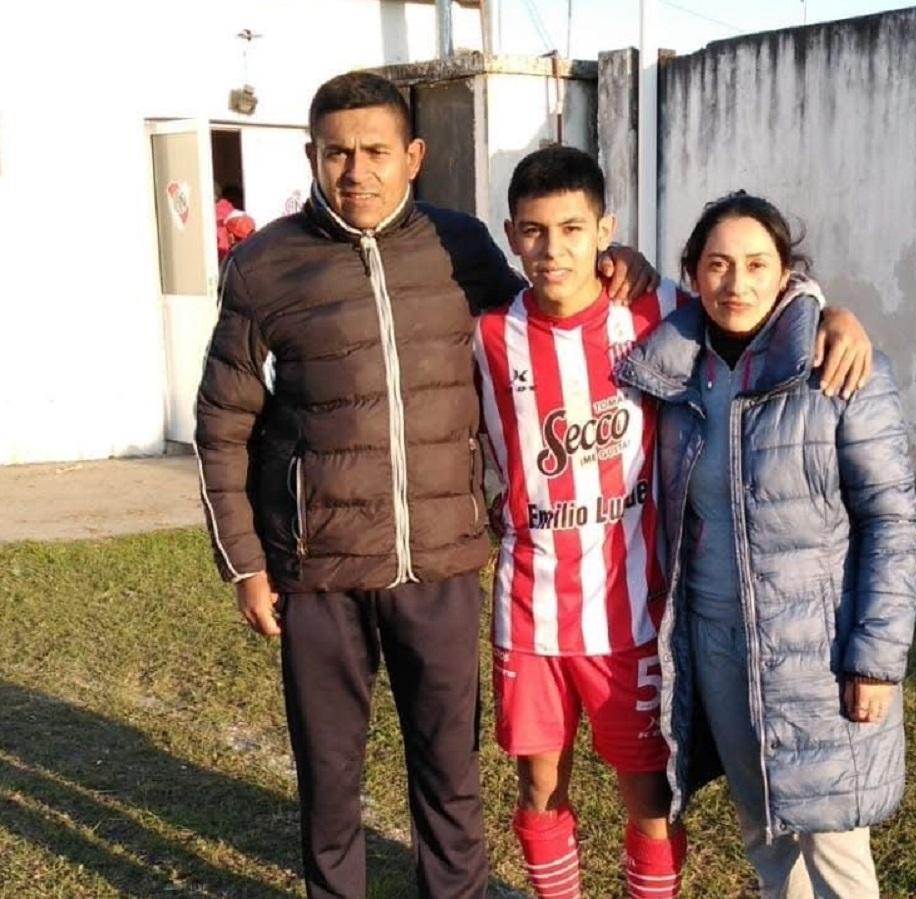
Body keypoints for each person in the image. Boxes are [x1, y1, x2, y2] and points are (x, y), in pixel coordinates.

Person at [193, 72, 656, 899]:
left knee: (451, 774)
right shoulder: (265, 264)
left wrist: (626, 267)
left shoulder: (462, 245)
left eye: (376, 151)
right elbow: (222, 421)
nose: (356, 171)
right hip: (318, 572)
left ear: (413, 156)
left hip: (441, 566)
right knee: (330, 778)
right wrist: (246, 563)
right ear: (312, 155)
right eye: (337, 153)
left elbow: (550, 319)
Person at [475, 152, 877, 898]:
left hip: (631, 614)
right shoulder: (489, 334)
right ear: (510, 235)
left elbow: (752, 291)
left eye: (572, 228)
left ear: (606, 230)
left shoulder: (654, 311)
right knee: (538, 785)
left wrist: (830, 312)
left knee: (651, 802)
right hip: (529, 612)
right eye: (533, 231)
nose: (553, 248)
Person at [616, 192, 916, 898]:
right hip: (716, 646)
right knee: (763, 835)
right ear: (692, 272)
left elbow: (891, 520)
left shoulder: (840, 369)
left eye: (758, 264)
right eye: (718, 264)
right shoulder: (676, 370)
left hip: (815, 652)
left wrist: (875, 658)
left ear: (788, 273)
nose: (737, 282)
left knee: (835, 848)